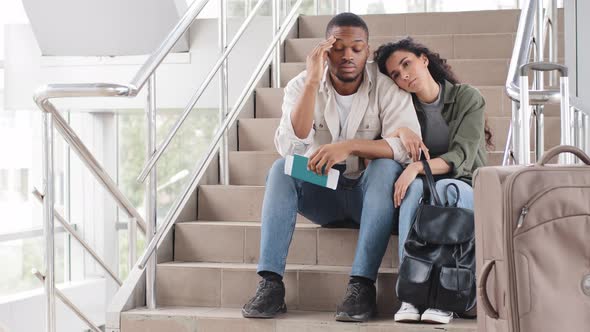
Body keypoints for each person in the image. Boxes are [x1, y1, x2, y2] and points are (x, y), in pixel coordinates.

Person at [241, 13, 421, 322]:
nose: (347, 56)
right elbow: (289, 146)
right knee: (281, 169)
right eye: (338, 47)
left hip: (371, 196)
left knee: (384, 168)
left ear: (367, 52)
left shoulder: (386, 86)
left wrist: (349, 146)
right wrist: (312, 82)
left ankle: (362, 286)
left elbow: (407, 149)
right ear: (325, 49)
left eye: (356, 48)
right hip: (326, 189)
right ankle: (271, 285)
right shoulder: (302, 83)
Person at [373, 37, 493, 324]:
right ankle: (411, 294)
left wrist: (416, 167)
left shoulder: (467, 97)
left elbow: (462, 156)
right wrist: (402, 131)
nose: (404, 75)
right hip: (427, 188)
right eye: (396, 75)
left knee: (444, 186)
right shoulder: (404, 109)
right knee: (414, 189)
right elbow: (385, 144)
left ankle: (445, 295)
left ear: (424, 59)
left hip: (465, 185)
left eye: (407, 64)